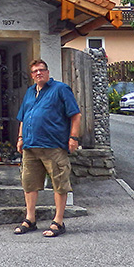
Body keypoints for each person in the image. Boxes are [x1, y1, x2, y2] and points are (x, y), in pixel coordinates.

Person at [13, 59, 81, 237]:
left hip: (53, 146)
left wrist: (73, 138)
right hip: (30, 146)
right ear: (32, 75)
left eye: (41, 70)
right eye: (35, 71)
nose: (38, 73)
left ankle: (58, 222)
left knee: (59, 184)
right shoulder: (29, 92)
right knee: (29, 183)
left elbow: (75, 114)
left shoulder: (60, 89)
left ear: (48, 72)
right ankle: (30, 219)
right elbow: (24, 117)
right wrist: (20, 138)